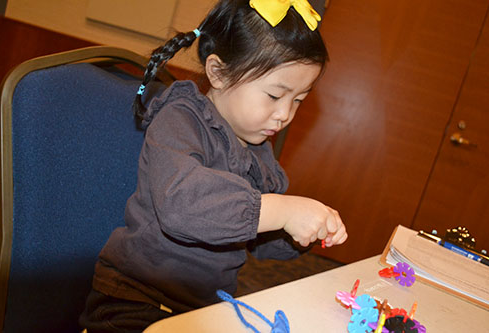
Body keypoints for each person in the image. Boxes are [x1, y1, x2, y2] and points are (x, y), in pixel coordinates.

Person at [80, 0, 347, 331]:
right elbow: (183, 206)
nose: (285, 114)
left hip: (199, 311)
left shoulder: (257, 148)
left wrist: (302, 233)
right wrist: (281, 210)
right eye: (275, 96)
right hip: (135, 301)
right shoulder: (179, 120)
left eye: (298, 101)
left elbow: (256, 236)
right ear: (218, 73)